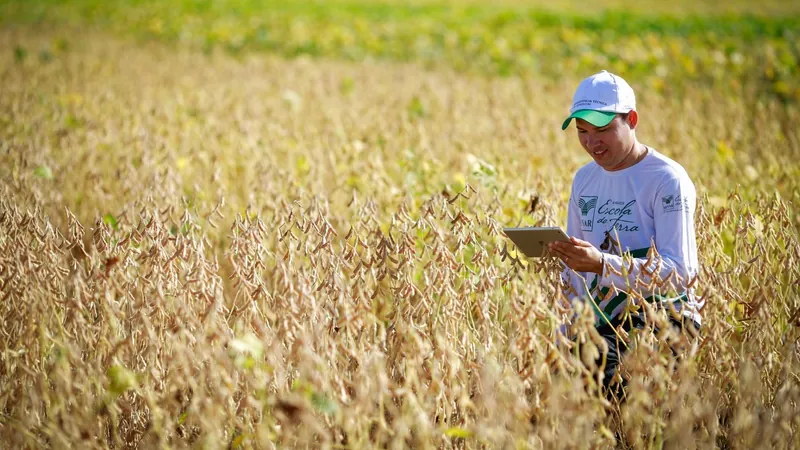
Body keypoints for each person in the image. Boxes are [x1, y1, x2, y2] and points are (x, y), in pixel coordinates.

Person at [548, 70, 703, 402]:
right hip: (600, 321)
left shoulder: (666, 180)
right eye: (582, 131)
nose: (592, 143)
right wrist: (561, 333)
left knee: (616, 391)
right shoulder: (584, 180)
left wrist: (604, 265)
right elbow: (574, 269)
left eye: (603, 130)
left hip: (664, 322)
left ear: (631, 119)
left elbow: (681, 273)